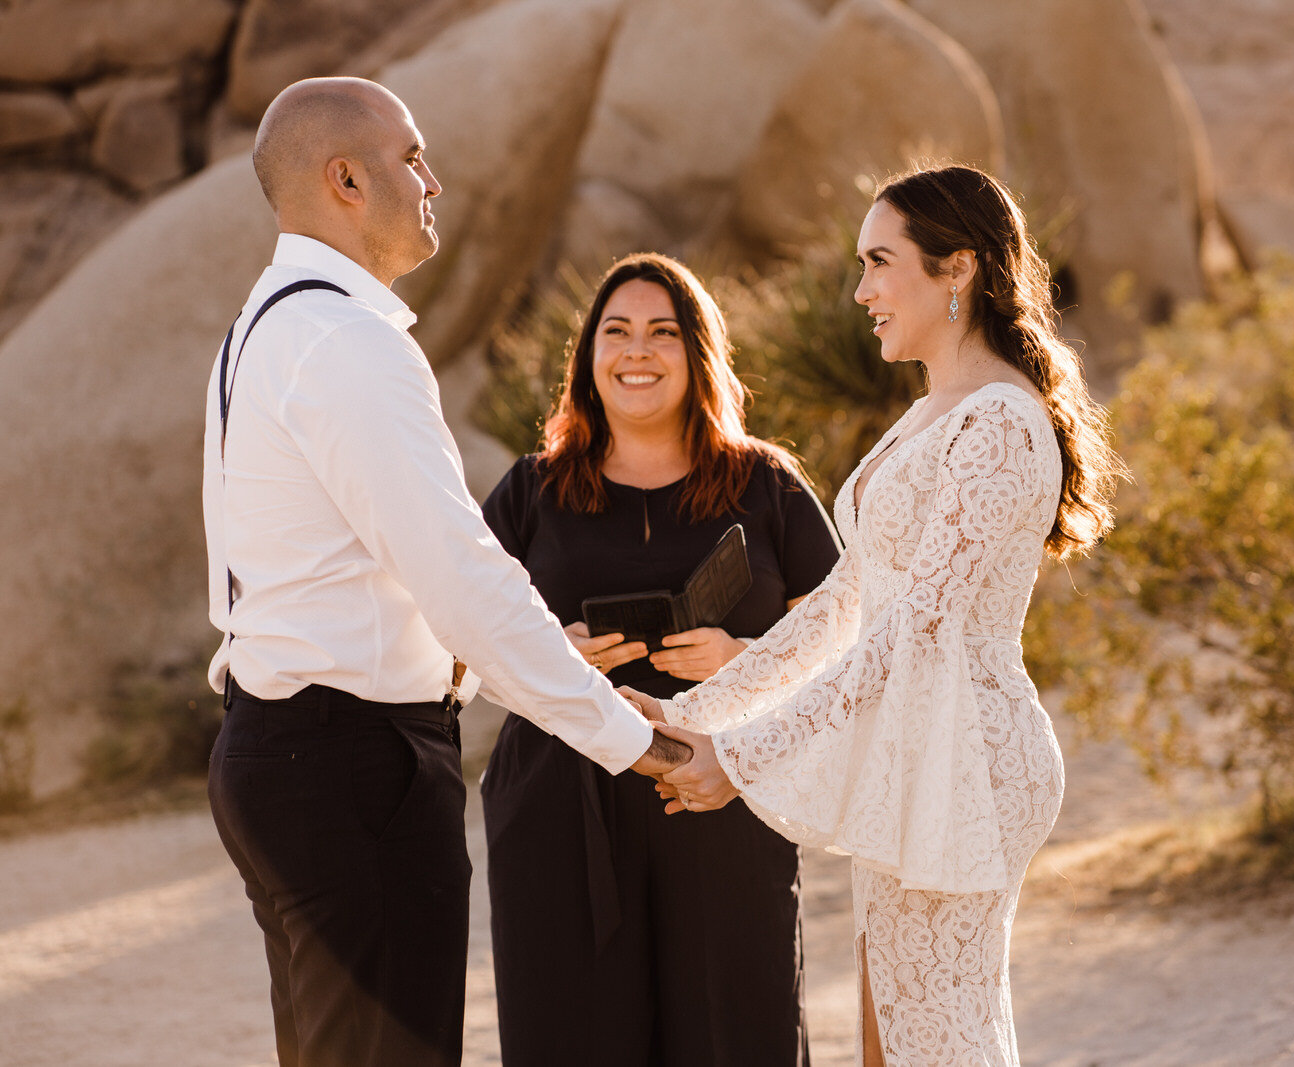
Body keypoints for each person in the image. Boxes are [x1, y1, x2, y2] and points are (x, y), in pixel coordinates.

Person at [202, 78, 688, 1067]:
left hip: (281, 749)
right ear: (344, 180)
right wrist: (628, 736)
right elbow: (458, 571)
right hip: (351, 767)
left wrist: (514, 658)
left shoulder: (263, 324)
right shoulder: (346, 340)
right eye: (411, 158)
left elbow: (353, 570)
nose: (434, 180)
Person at [631, 164, 1125, 1067]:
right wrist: (698, 716)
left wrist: (740, 758)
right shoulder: (932, 414)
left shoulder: (1002, 426)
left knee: (931, 1042)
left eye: (880, 262)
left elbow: (916, 631)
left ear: (958, 269)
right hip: (918, 747)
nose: (860, 291)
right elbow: (841, 609)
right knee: (894, 1039)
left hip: (970, 753)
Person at [478, 252, 840, 1066]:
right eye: (617, 331)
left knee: (736, 1037)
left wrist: (744, 659)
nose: (637, 350)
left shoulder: (768, 485)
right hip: (558, 815)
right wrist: (548, 652)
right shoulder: (530, 491)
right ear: (588, 358)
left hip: (722, 804)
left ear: (698, 353)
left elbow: (846, 648)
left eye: (662, 332)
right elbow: (457, 636)